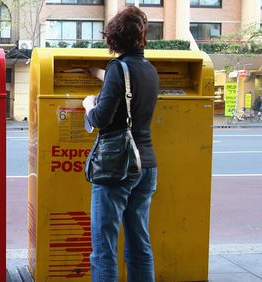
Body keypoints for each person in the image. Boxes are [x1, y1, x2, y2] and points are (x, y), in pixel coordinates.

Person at [82, 6, 158, 282]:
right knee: (139, 245)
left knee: (104, 249)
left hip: (117, 167)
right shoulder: (149, 70)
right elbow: (128, 87)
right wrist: (101, 75)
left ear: (114, 36)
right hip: (146, 166)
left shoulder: (118, 68)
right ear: (141, 36)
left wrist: (88, 104)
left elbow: (101, 118)